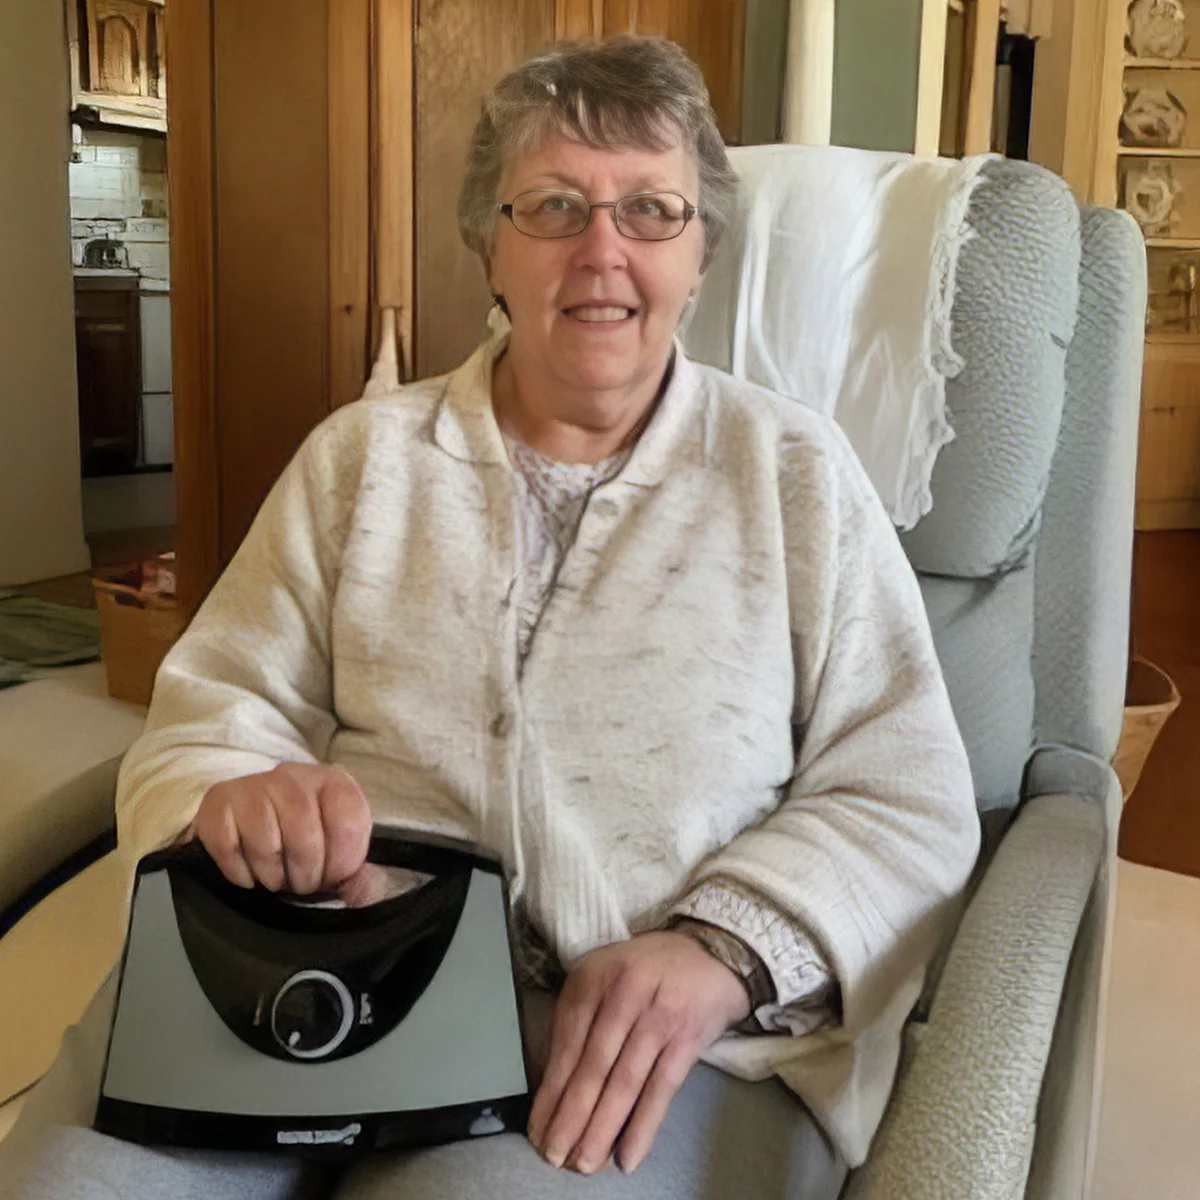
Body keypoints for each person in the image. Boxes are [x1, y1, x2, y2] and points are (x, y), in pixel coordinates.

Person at [3, 35, 979, 1200]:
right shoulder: (360, 460)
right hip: (304, 970)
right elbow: (215, 708)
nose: (603, 251)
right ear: (490, 245)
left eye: (653, 211)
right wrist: (236, 794)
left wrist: (726, 947)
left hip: (642, 1044)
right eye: (553, 205)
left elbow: (905, 788)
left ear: (703, 253)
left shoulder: (793, 477)